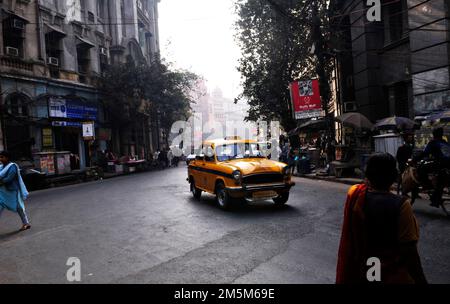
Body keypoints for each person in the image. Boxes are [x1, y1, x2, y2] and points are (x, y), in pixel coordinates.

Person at [336, 153, 427, 284]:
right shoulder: (401, 205)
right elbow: (409, 251)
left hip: (367, 269)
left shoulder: (355, 194)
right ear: (394, 176)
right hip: (391, 273)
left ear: (368, 175)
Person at [415, 127, 450, 207]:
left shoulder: (433, 143)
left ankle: (427, 185)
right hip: (448, 165)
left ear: (434, 135)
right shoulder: (445, 143)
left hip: (440, 164)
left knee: (421, 168)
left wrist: (415, 160)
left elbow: (424, 153)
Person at [0, 151, 31, 231]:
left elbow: (9, 178)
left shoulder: (12, 166)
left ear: (7, 158)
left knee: (18, 207)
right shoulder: (1, 167)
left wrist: (1, 181)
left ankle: (26, 223)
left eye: (2, 157)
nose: (0, 159)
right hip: (2, 192)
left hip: (12, 191)